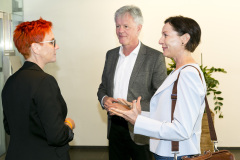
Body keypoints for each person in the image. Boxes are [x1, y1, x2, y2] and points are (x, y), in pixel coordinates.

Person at [110, 16, 206, 160]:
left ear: (184, 38)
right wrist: (137, 113)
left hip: (175, 155)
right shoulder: (179, 72)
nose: (160, 41)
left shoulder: (188, 74)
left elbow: (182, 130)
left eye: (165, 35)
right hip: (168, 153)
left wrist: (138, 121)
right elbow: (168, 116)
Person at [97, 5, 167, 160]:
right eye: (117, 26)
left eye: (126, 26)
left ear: (139, 28)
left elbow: (160, 98)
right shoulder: (111, 55)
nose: (120, 30)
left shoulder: (154, 58)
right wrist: (104, 99)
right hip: (114, 128)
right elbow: (102, 88)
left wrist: (129, 107)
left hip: (140, 130)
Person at [1, 18, 75, 160]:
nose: (57, 46)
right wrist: (69, 124)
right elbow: (57, 136)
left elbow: (9, 128)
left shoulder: (10, 82)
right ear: (36, 48)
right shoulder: (45, 82)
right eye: (52, 42)